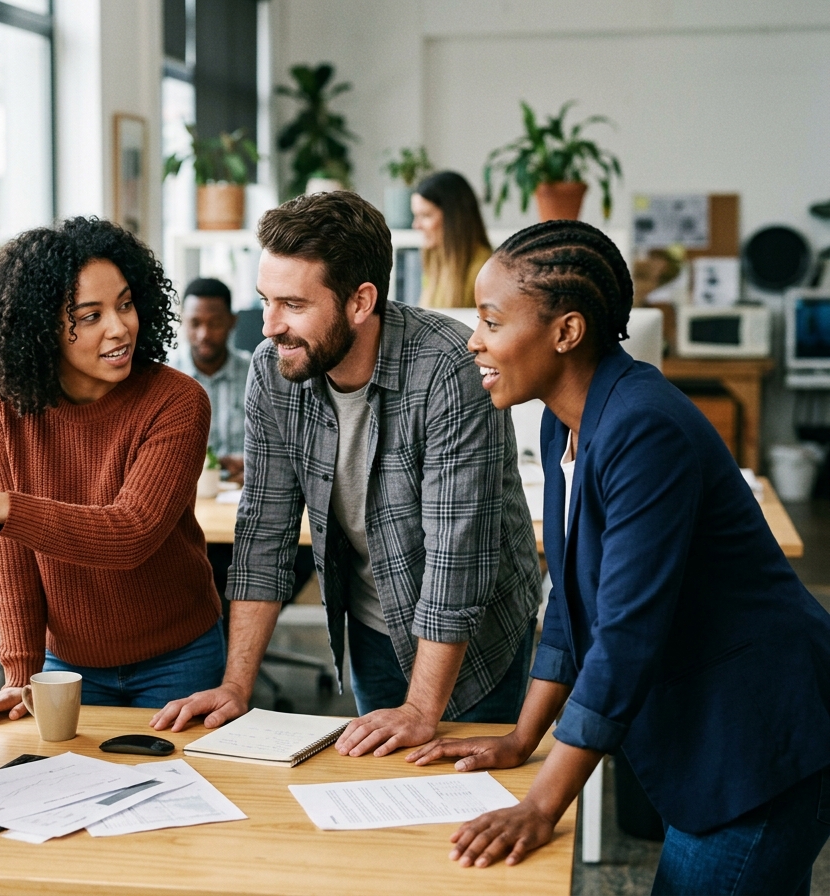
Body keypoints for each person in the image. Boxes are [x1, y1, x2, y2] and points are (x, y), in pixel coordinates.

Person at [416, 220, 830, 894]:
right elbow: (573, 602)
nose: (475, 340)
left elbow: (625, 637)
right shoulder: (564, 422)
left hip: (760, 733)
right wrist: (523, 738)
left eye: (491, 320)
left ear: (566, 332)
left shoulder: (644, 427)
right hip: (714, 727)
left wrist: (543, 803)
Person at [152, 191, 542, 758]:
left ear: (361, 302)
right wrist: (237, 685)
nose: (268, 327)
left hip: (473, 643)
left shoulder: (449, 369)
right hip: (371, 627)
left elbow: (457, 561)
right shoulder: (275, 370)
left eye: (292, 304)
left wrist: (420, 708)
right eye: (264, 301)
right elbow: (265, 535)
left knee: (457, 818)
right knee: (379, 808)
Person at [0, 217, 224, 717]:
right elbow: (12, 556)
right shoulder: (2, 403)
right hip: (66, 664)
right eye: (90, 316)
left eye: (126, 303)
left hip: (178, 657)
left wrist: (2, 506)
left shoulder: (177, 401)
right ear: (41, 328)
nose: (119, 327)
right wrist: (21, 675)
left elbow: (131, 533)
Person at [168, 277, 252, 481]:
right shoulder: (164, 378)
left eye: (215, 323)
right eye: (195, 323)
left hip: (247, 493)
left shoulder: (257, 375)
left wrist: (252, 466)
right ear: (182, 321)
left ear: (232, 321)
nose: (204, 334)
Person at [412, 170, 492, 309]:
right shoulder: (433, 261)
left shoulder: (485, 270)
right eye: (416, 216)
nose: (416, 225)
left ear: (454, 219)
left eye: (426, 215)